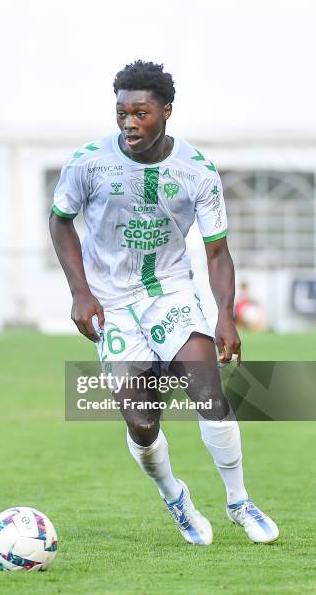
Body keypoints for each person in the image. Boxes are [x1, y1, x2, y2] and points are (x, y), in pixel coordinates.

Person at [49, 60, 278, 545]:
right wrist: (80, 291)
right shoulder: (87, 162)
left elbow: (218, 251)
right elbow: (60, 220)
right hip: (111, 302)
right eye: (122, 113)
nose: (129, 123)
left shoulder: (197, 171)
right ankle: (175, 496)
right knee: (142, 422)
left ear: (166, 111)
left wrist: (225, 316)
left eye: (141, 112)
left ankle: (238, 501)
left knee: (208, 390)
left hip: (169, 291)